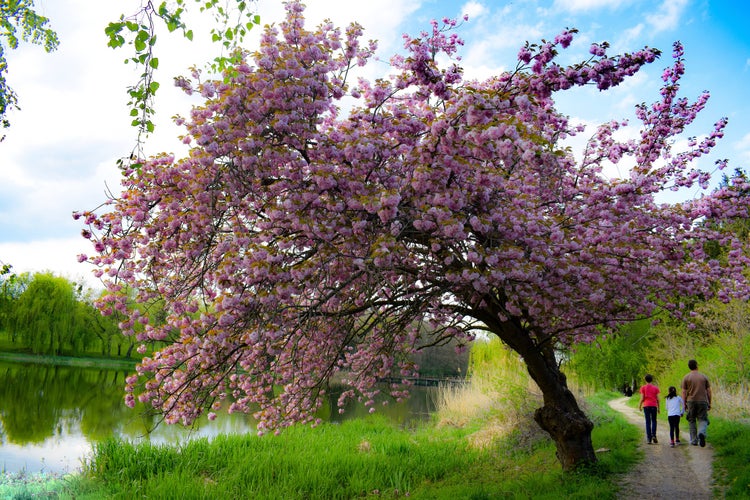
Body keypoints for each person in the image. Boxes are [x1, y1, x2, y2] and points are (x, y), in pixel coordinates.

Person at [681, 359, 712, 447]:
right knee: (703, 419)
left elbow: (683, 392)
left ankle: (694, 440)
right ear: (697, 365)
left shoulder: (686, 377)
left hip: (691, 401)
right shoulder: (704, 376)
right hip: (703, 401)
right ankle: (701, 433)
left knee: (691, 420)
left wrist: (684, 404)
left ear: (689, 367)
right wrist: (709, 402)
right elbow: (709, 391)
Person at [638, 374, 660, 444]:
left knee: (648, 422)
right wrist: (659, 408)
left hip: (646, 406)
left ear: (645, 380)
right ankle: (654, 435)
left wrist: (639, 405)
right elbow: (658, 399)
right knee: (654, 421)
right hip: (654, 406)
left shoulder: (643, 388)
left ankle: (649, 439)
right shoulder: (655, 388)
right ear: (652, 380)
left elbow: (642, 398)